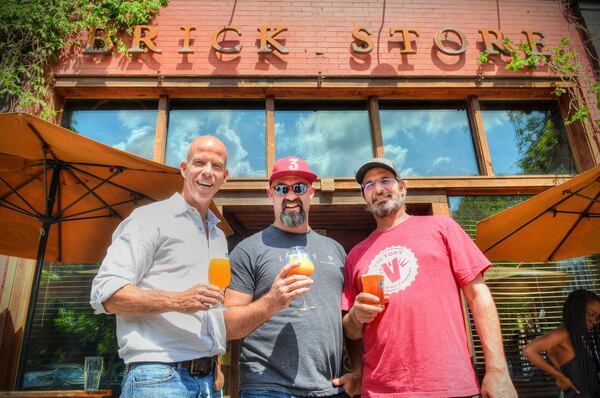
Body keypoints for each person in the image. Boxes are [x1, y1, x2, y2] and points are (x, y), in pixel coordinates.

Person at [341, 157, 517, 397]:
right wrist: (355, 317)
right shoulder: (356, 255)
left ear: (402, 187)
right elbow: (351, 331)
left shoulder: (442, 227)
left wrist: (497, 369)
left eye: (385, 180)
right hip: (381, 391)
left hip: (449, 385)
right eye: (369, 185)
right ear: (364, 196)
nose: (378, 189)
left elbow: (478, 295)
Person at [90, 135, 229, 398]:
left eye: (217, 166)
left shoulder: (218, 234)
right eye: (199, 162)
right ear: (184, 168)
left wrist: (216, 360)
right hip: (158, 377)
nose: (207, 172)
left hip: (209, 382)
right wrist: (179, 301)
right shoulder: (150, 218)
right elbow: (106, 294)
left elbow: (212, 310)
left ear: (225, 177)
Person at [224, 156, 359, 397]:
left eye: (299, 187)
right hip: (268, 387)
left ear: (312, 192)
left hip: (331, 386)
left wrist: (357, 370)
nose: (290, 196)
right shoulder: (248, 249)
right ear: (270, 194)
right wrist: (271, 302)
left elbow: (348, 319)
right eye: (281, 188)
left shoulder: (335, 249)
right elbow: (228, 326)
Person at [524, 289, 600, 397]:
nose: (594, 321)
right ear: (576, 310)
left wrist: (562, 372)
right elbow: (529, 350)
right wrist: (561, 378)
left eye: (597, 317)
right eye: (591, 314)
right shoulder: (563, 333)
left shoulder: (578, 337)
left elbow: (551, 352)